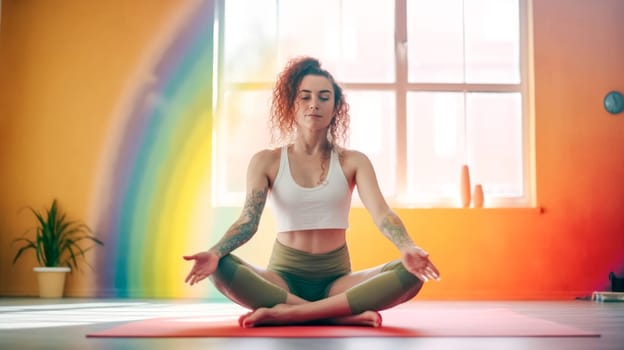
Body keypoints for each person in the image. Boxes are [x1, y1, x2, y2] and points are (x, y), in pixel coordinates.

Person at [183, 56, 440, 328]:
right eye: (305, 97)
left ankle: (291, 313)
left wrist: (407, 246)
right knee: (219, 266)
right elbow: (248, 221)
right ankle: (337, 315)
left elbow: (382, 213)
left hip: (338, 283)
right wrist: (214, 252)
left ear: (335, 107)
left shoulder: (354, 161)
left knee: (412, 274)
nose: (314, 104)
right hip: (282, 281)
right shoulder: (266, 161)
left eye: (324, 97)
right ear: (292, 104)